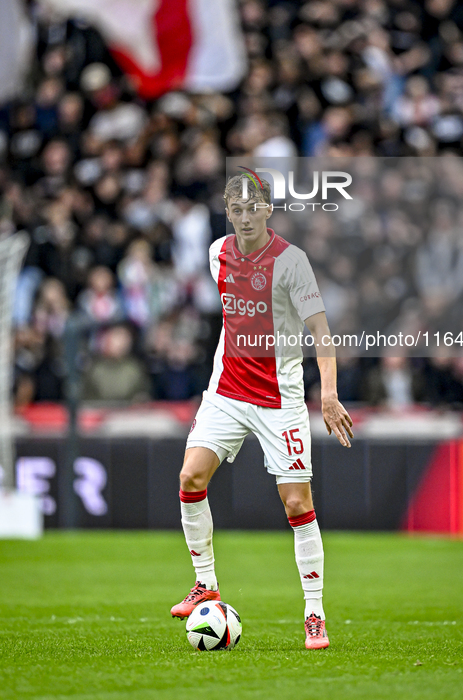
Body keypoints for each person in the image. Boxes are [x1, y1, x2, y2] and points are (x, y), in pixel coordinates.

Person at [170, 171, 354, 649]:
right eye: (237, 209)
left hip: (281, 400)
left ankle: (315, 614)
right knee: (191, 477)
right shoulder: (217, 253)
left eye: (254, 208)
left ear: (268, 210)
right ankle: (205, 582)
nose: (246, 217)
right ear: (229, 213)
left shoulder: (292, 263)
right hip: (227, 392)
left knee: (297, 504)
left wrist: (328, 394)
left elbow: (321, 332)